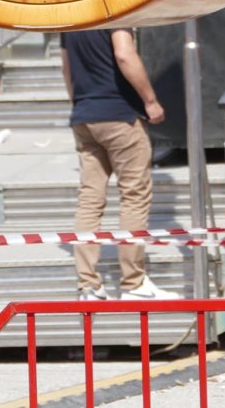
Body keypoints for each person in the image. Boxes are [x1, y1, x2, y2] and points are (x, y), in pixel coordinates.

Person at [61, 29, 177, 301]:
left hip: (84, 114)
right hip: (119, 113)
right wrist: (150, 100)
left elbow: (66, 68)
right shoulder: (114, 11)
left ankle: (88, 285)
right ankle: (133, 283)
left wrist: (79, 103)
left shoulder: (69, 18)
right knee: (134, 196)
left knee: (90, 198)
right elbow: (124, 55)